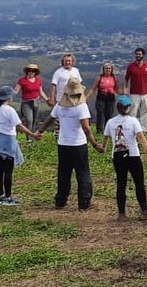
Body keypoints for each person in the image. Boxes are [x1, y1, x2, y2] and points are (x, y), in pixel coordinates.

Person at [37, 77, 102, 210]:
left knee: (64, 173)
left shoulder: (60, 105)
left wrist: (41, 131)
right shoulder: (81, 106)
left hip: (63, 143)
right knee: (83, 173)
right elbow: (86, 128)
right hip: (78, 144)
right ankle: (84, 202)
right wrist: (95, 144)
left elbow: (50, 118)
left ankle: (60, 201)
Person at [0, 86, 41, 205]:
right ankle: (8, 197)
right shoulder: (9, 110)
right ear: (9, 97)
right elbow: (19, 126)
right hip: (8, 141)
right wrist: (32, 135)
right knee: (8, 171)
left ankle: (0, 196)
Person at [103, 95, 147, 221]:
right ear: (128, 107)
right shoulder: (133, 121)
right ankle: (144, 210)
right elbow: (141, 138)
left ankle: (121, 213)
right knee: (139, 183)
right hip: (133, 155)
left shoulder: (111, 122)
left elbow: (105, 139)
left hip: (117, 156)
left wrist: (102, 147)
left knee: (121, 184)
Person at [125, 47, 147, 130]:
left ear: (143, 55)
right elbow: (126, 78)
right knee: (133, 111)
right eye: (137, 54)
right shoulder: (131, 66)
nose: (138, 56)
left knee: (144, 111)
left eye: (139, 54)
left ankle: (144, 129)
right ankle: (132, 128)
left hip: (145, 93)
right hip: (134, 93)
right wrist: (125, 88)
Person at [14, 63, 49, 142]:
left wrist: (47, 99)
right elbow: (16, 90)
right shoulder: (22, 81)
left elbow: (41, 92)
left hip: (36, 101)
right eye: (29, 71)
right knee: (29, 120)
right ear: (26, 72)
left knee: (34, 120)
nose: (31, 72)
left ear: (35, 72)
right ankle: (29, 139)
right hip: (26, 102)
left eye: (33, 71)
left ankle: (32, 137)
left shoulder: (38, 80)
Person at [87, 62, 122, 134]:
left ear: (111, 69)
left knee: (109, 115)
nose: (108, 70)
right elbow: (93, 88)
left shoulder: (114, 78)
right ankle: (99, 131)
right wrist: (87, 97)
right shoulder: (99, 78)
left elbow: (117, 89)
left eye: (109, 68)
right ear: (103, 69)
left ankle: (108, 131)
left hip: (111, 99)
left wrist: (124, 93)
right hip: (101, 98)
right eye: (106, 68)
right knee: (100, 114)